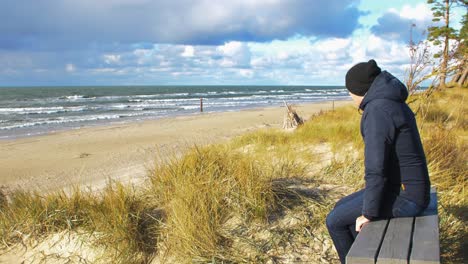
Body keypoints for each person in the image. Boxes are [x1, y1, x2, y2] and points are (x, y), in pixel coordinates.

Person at [326, 59, 431, 264]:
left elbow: (376, 168)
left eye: (350, 91)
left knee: (335, 221)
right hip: (403, 188)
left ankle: (357, 260)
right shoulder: (389, 101)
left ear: (360, 90)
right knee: (340, 207)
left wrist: (369, 213)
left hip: (408, 196)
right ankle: (364, 255)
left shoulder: (377, 111)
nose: (349, 96)